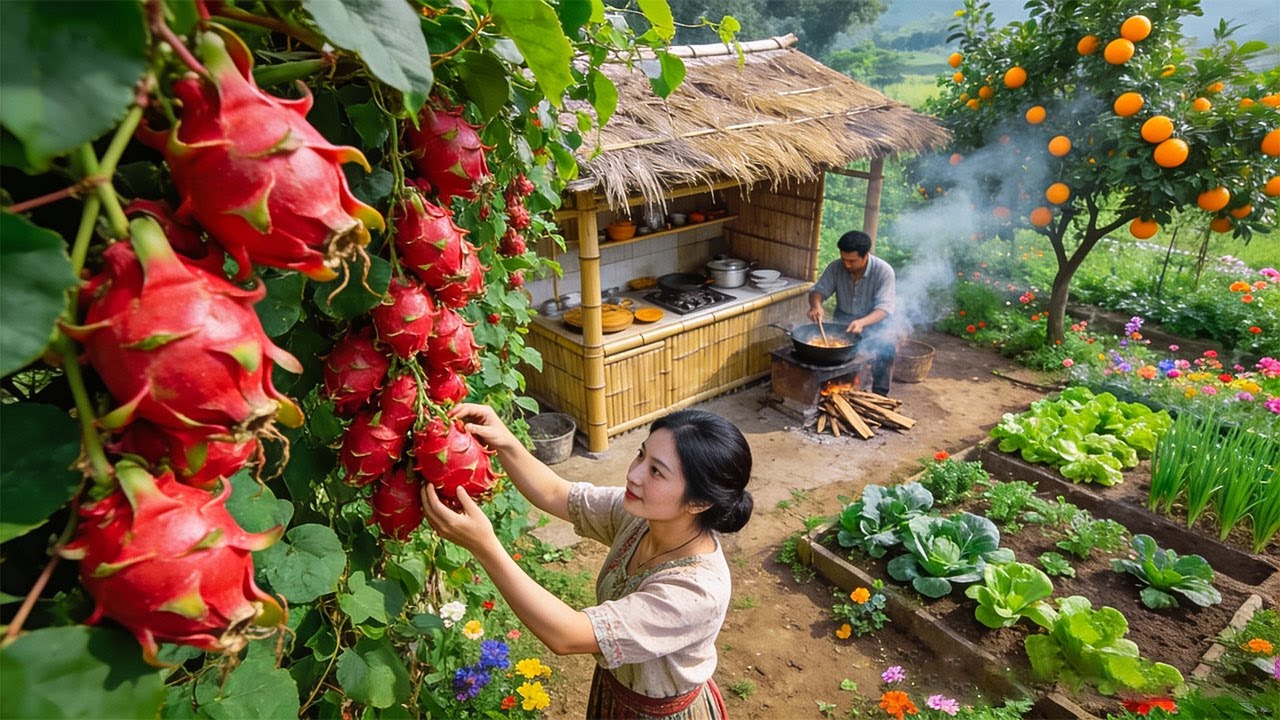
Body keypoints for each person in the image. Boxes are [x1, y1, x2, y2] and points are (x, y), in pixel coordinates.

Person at [421, 404, 754, 719]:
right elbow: (557, 493)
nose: (634, 475)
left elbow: (567, 635)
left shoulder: (696, 591)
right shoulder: (641, 518)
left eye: (656, 471)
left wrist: (485, 547)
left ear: (698, 502)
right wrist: (506, 441)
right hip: (618, 694)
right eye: (641, 454)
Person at [807, 230, 898, 395]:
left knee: (886, 350)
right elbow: (818, 291)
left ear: (866, 256)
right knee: (841, 357)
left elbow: (884, 308)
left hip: (875, 322)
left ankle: (880, 395)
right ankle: (843, 389)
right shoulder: (836, 267)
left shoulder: (884, 271)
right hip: (843, 319)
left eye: (852, 261)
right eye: (844, 259)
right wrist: (816, 305)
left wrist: (862, 322)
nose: (847, 265)